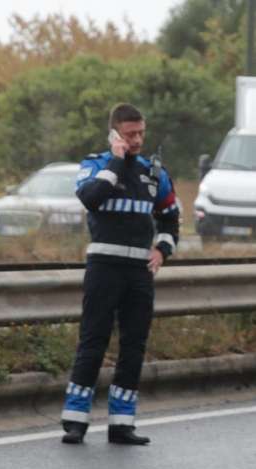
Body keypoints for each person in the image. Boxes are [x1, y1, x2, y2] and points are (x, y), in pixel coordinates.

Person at [60, 103, 180, 445]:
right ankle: (75, 421)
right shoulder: (95, 165)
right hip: (104, 268)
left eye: (141, 133)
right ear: (115, 133)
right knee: (93, 341)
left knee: (134, 345)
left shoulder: (154, 173)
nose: (138, 140)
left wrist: (162, 249)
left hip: (139, 273)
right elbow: (91, 197)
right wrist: (116, 159)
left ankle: (122, 424)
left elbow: (170, 217)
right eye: (130, 134)